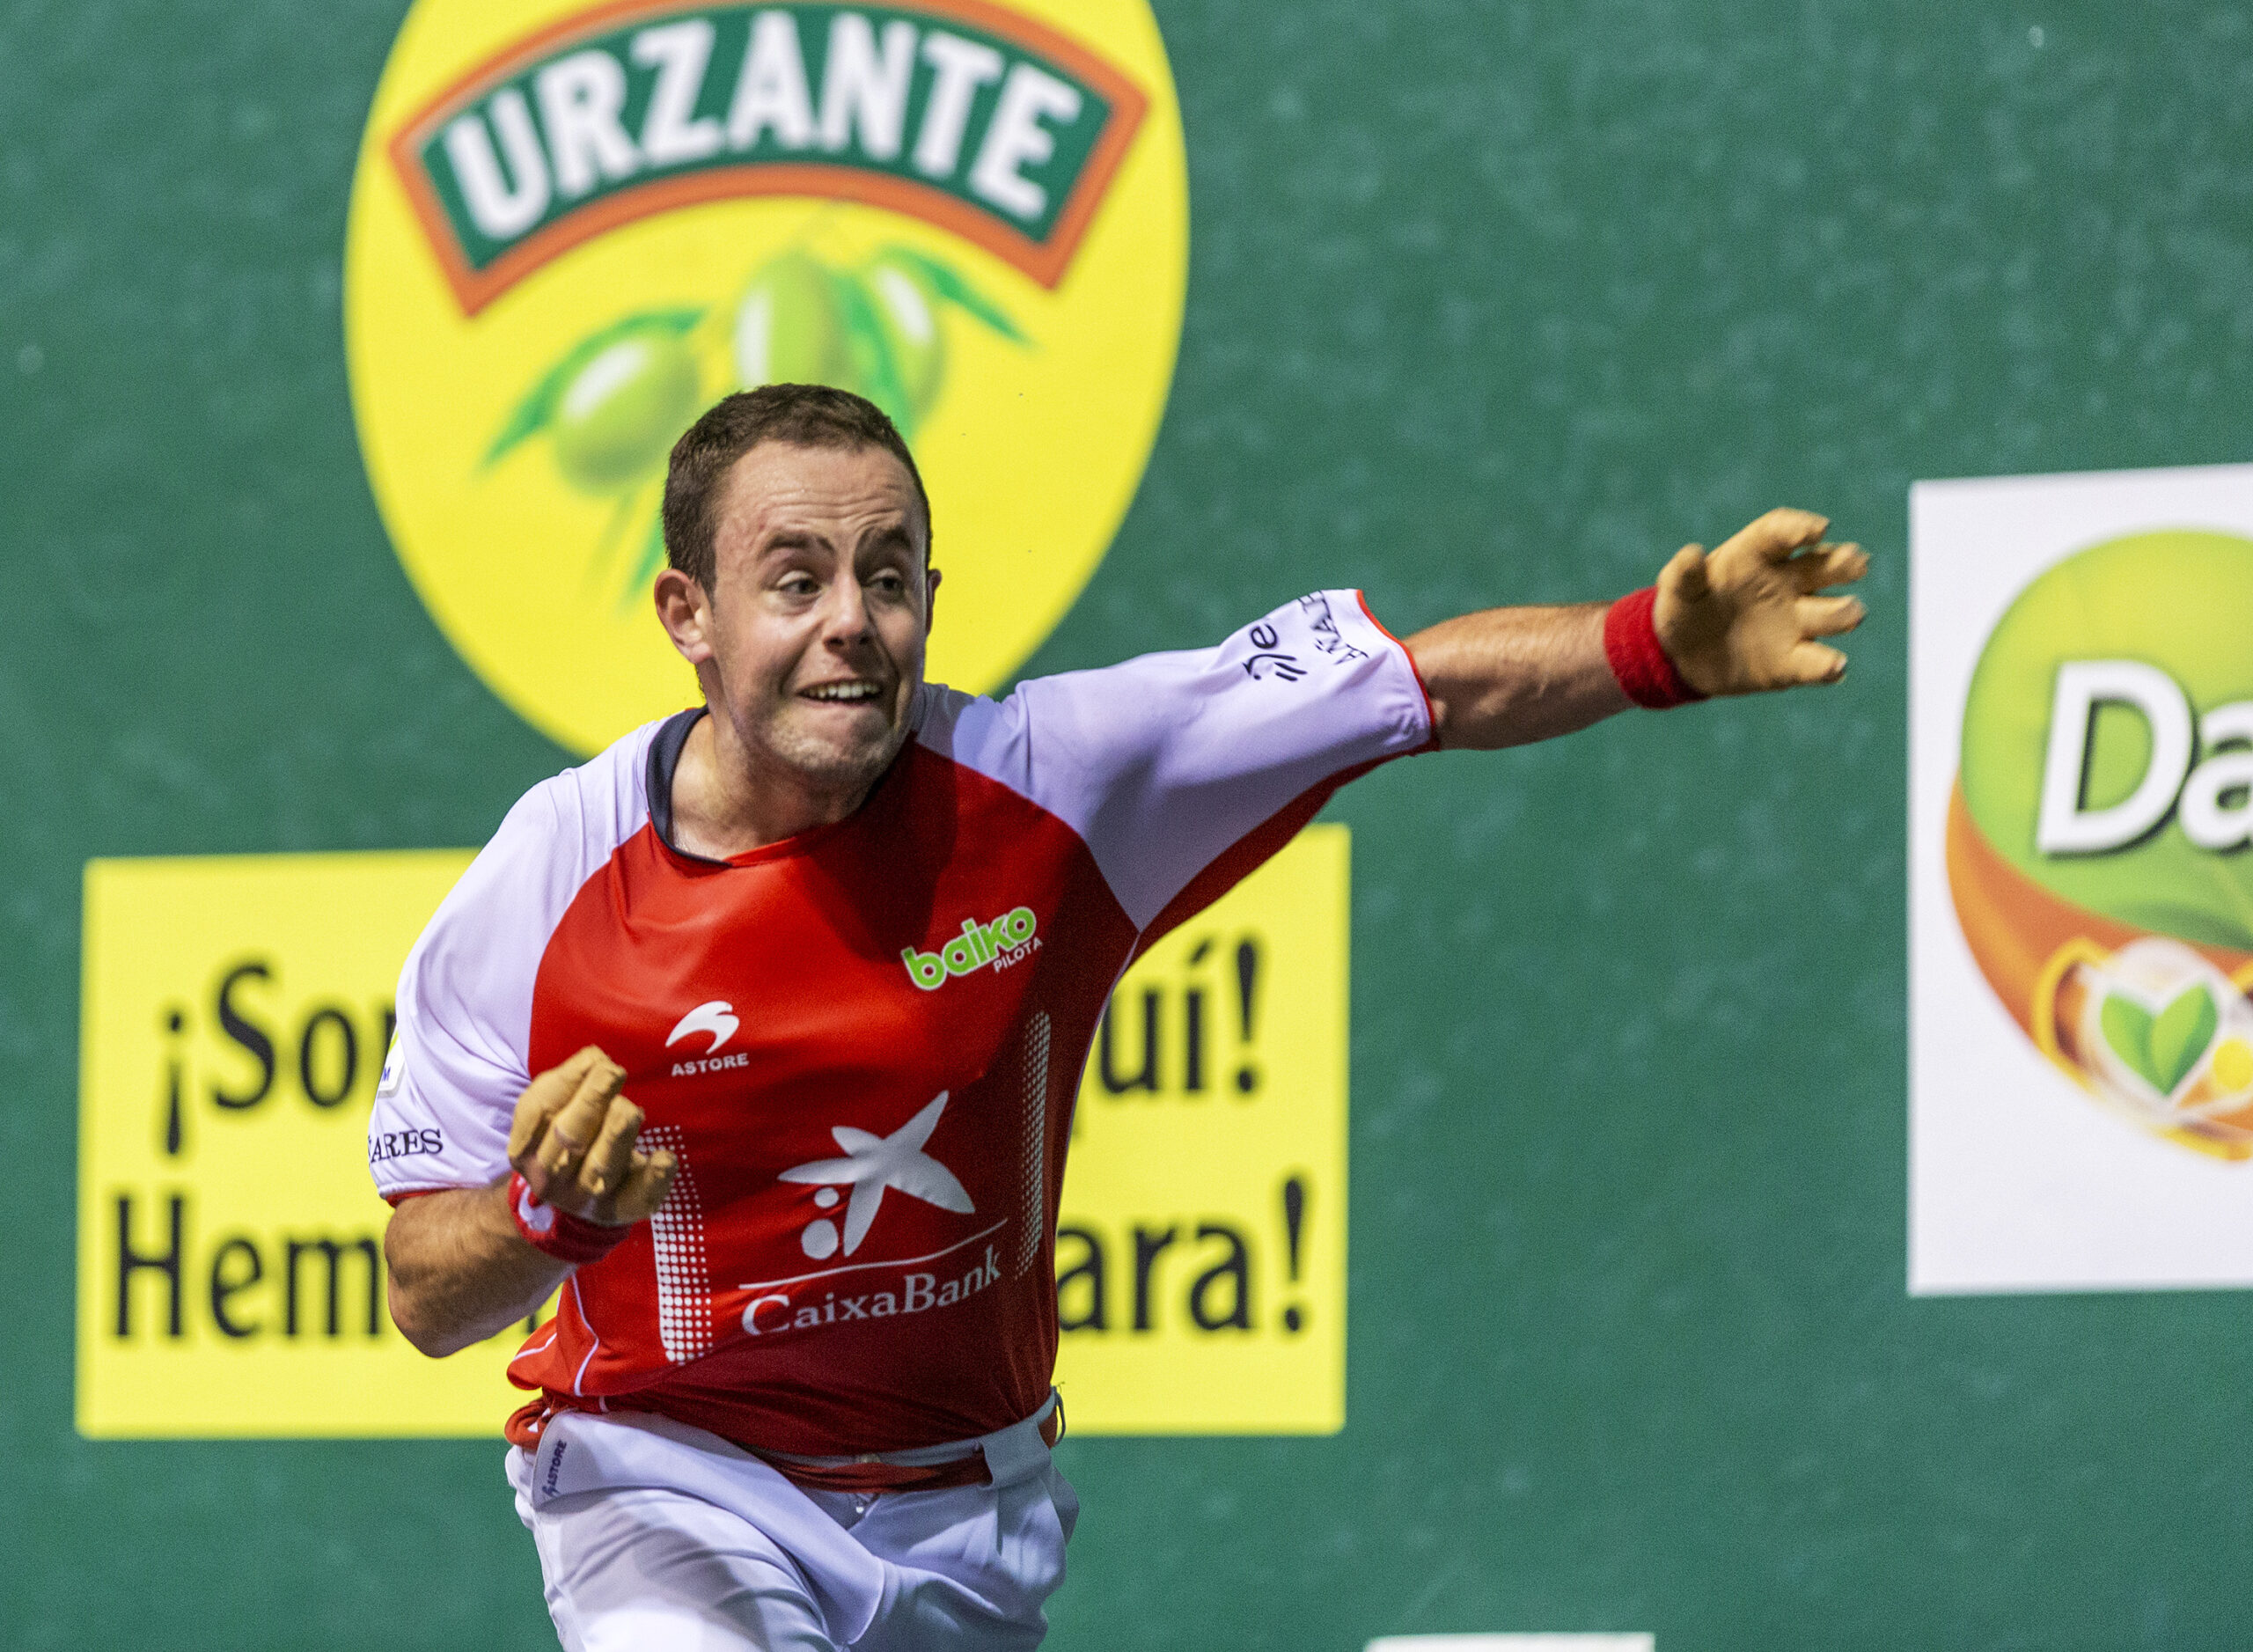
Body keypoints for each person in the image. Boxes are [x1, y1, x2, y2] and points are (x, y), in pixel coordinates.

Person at [371, 383, 1866, 1651]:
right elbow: (426, 1291)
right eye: (797, 580)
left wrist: (1650, 650)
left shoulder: (1048, 786)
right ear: (686, 613)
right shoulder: (552, 876)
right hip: (670, 1486)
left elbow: (1414, 690)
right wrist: (544, 1217)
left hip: (969, 1509)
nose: (853, 625)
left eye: (889, 576)